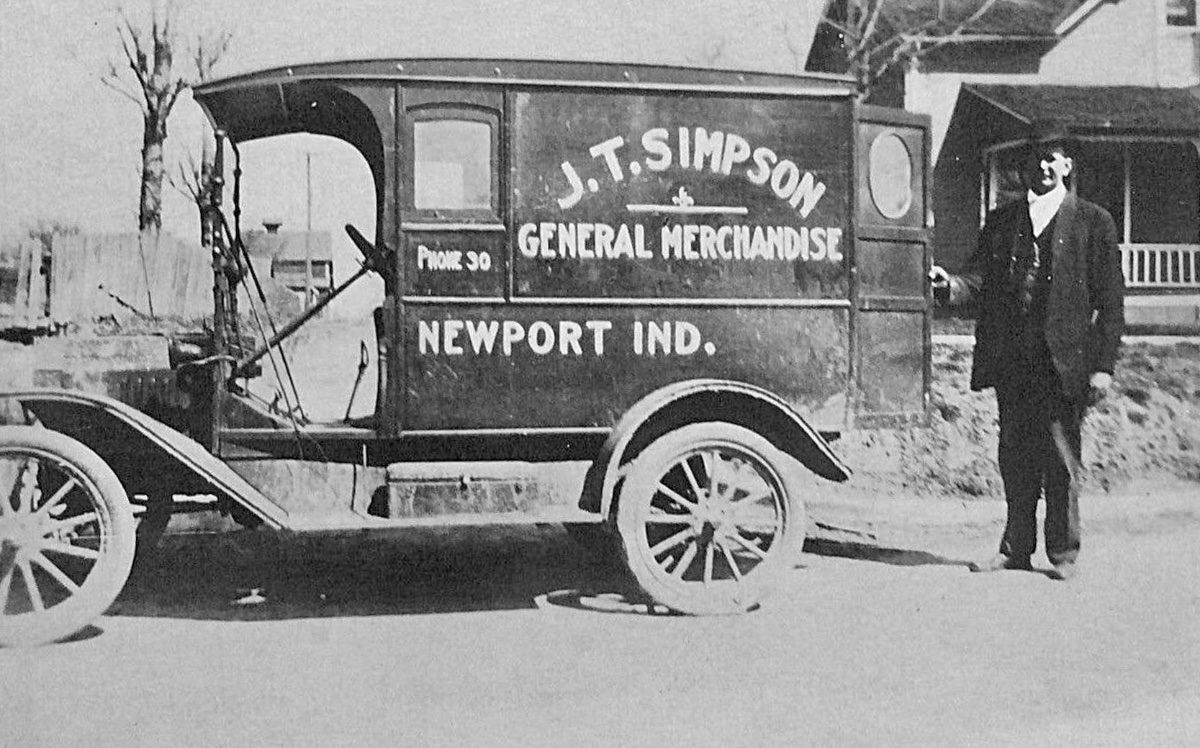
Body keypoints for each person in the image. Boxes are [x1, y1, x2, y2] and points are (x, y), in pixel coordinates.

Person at [929, 128, 1125, 581]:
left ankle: (1063, 553)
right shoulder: (1003, 221)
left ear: (1067, 166)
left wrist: (1103, 367)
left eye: (1052, 157)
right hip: (1013, 360)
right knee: (1015, 457)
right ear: (1024, 166)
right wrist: (951, 286)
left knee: (1060, 458)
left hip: (1065, 363)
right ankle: (1015, 549)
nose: (1043, 165)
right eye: (1036, 157)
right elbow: (980, 280)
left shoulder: (1093, 222)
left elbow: (1112, 302)